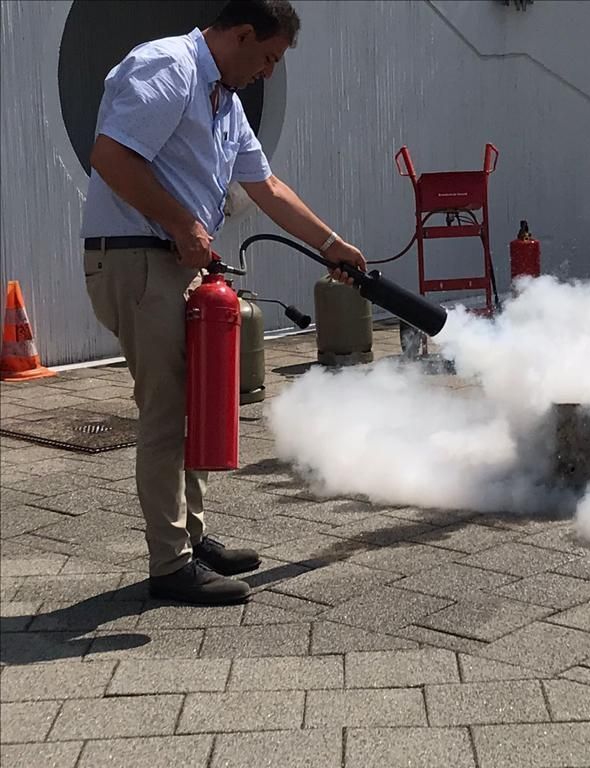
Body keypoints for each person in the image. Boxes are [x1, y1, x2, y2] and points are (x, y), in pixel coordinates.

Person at [80, 0, 364, 605]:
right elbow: (110, 156)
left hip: (171, 261)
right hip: (137, 258)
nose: (266, 72)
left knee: (193, 400)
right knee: (167, 409)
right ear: (239, 34)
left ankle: (190, 537)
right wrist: (183, 222)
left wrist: (331, 243)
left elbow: (267, 186)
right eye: (266, 58)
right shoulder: (166, 67)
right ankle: (170, 565)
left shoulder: (224, 103)